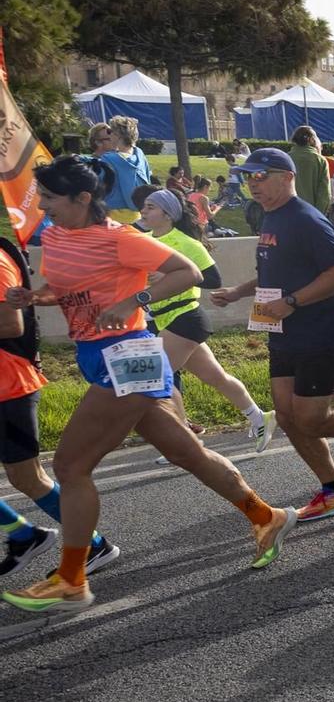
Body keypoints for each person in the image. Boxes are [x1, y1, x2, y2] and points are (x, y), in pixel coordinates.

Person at [4, 156, 297, 609]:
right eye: (40, 196)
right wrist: (37, 295)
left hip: (130, 356)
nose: (43, 206)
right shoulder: (59, 234)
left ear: (83, 199)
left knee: (69, 468)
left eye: (51, 198)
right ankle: (267, 516)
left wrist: (132, 300)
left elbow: (189, 273)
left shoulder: (120, 238)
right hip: (96, 356)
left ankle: (71, 579)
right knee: (186, 452)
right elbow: (69, 286)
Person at [211, 147, 334, 523]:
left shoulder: (305, 219)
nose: (253, 185)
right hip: (284, 330)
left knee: (313, 418)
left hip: (320, 329)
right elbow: (276, 274)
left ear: (287, 177)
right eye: (249, 178)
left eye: (261, 177)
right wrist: (238, 292)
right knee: (286, 415)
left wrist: (293, 302)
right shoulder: (270, 217)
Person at [0, 214, 118, 580]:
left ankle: (94, 545)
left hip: (8, 385)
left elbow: (10, 323)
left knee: (27, 478)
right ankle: (22, 534)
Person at [132, 184, 271, 452]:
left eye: (150, 207)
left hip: (185, 318)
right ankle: (259, 417)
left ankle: (186, 442)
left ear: (168, 214)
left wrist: (170, 277)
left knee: (159, 379)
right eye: (144, 206)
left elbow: (213, 278)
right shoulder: (145, 240)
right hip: (165, 319)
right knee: (216, 377)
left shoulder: (186, 243)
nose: (143, 211)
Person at [87, 118, 153, 224]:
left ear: (118, 135)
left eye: (110, 131)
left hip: (112, 215)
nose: (109, 135)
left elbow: (98, 188)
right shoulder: (140, 155)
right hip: (138, 213)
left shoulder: (108, 159)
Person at [285, 126, 332, 217]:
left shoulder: (285, 158)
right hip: (312, 213)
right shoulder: (319, 160)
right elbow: (324, 193)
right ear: (312, 139)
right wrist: (318, 216)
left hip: (288, 214)